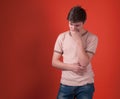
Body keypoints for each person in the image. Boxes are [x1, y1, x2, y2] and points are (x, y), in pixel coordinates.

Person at [52, 5, 98, 99]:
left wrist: (78, 41)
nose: (73, 28)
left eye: (77, 25)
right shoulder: (62, 37)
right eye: (70, 24)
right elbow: (54, 62)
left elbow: (84, 63)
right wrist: (72, 67)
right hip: (66, 83)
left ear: (84, 22)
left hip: (85, 84)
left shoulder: (92, 38)